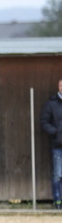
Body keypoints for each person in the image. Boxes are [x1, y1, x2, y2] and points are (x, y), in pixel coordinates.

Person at [40, 78, 62, 209]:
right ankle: (58, 200)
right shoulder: (51, 104)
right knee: (57, 174)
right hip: (57, 145)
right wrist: (56, 132)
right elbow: (44, 122)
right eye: (61, 85)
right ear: (58, 87)